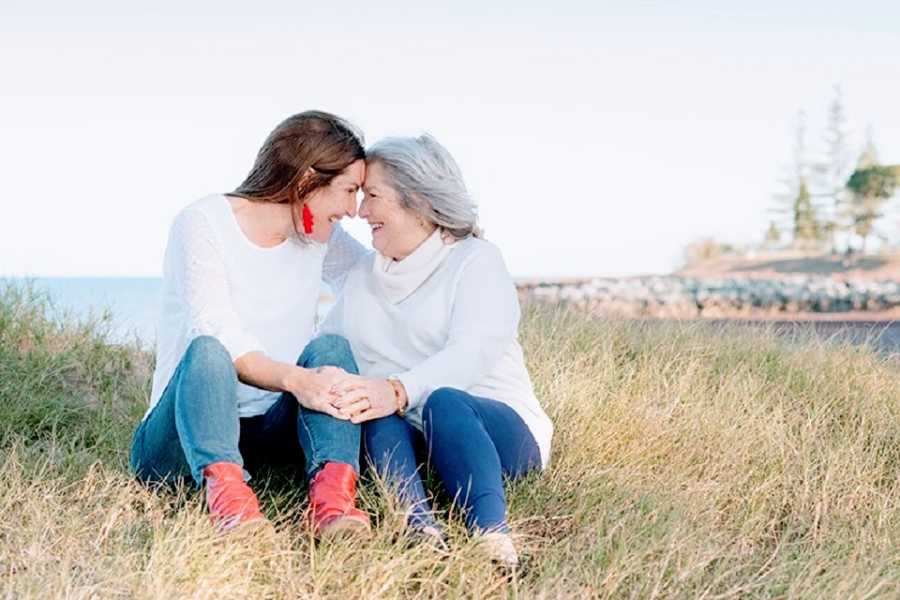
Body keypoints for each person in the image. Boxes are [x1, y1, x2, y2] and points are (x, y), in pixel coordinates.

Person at [130, 110, 372, 537]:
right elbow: (220, 329)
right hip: (183, 438)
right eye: (349, 191)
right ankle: (230, 505)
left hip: (267, 434)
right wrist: (296, 380)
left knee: (332, 349)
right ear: (307, 181)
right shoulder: (202, 223)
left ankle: (332, 503)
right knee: (209, 350)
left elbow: (379, 278)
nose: (354, 210)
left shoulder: (320, 237)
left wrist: (446, 242)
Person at [320, 134, 554, 566]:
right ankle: (418, 527)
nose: (360, 211)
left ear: (418, 201)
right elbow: (307, 212)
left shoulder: (474, 260)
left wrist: (394, 389)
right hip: (413, 436)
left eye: (372, 195)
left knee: (445, 401)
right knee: (374, 415)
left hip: (492, 430)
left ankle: (493, 539)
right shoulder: (363, 271)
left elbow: (472, 353)